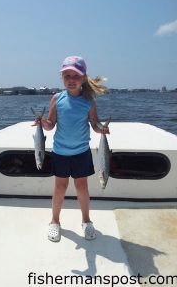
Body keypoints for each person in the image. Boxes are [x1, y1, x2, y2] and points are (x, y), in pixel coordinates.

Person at [41, 56, 109, 242]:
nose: (71, 79)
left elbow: (94, 123)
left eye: (75, 76)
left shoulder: (89, 101)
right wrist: (42, 123)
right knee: (59, 188)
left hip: (81, 152)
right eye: (67, 76)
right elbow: (50, 125)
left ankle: (86, 221)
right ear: (62, 78)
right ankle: (54, 221)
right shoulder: (57, 98)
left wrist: (101, 128)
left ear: (84, 78)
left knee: (82, 188)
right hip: (60, 153)